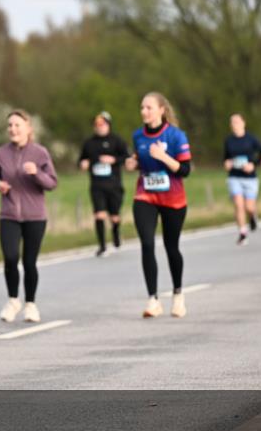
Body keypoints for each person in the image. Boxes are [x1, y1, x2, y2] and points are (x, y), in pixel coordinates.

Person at [125, 92, 191, 318]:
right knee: (146, 243)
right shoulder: (138, 136)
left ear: (161, 110)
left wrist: (163, 157)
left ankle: (178, 295)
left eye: (149, 107)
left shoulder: (176, 136)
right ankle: (153, 299)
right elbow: (139, 159)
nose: (144, 111)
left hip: (173, 198)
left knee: (171, 246)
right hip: (146, 195)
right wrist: (132, 163)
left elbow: (185, 170)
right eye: (142, 107)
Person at [0, 110, 58, 324]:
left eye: (17, 125)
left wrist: (36, 172)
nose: (13, 129)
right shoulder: (0, 154)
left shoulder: (40, 153)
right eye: (10, 125)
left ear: (28, 129)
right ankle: (12, 301)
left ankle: (30, 305)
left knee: (29, 262)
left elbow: (52, 183)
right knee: (10, 258)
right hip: (9, 214)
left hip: (35, 216)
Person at [78, 111, 129, 257]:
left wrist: (113, 160)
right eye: (97, 125)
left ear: (108, 125)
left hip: (114, 185)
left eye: (102, 124)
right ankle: (102, 245)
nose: (99, 127)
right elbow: (81, 159)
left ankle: (115, 233)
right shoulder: (89, 143)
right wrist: (83, 163)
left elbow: (126, 158)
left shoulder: (116, 140)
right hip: (97, 186)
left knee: (114, 216)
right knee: (99, 215)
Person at [223, 113, 261, 246]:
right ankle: (243, 232)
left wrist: (253, 164)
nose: (234, 125)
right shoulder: (228, 140)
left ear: (243, 123)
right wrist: (227, 163)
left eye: (237, 122)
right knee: (238, 204)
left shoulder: (251, 139)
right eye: (232, 122)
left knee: (249, 206)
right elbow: (225, 158)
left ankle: (253, 216)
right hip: (234, 177)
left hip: (250, 178)